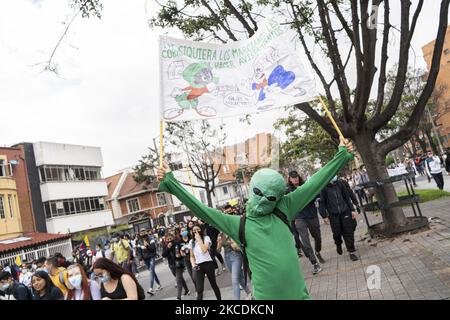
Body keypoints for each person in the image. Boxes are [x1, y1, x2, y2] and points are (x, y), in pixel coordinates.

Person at [157, 137, 354, 300]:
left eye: (270, 198)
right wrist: (171, 183)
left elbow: (315, 183)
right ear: (251, 189)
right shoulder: (237, 224)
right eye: (259, 193)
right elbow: (202, 210)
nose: (263, 201)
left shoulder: (285, 207)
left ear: (278, 197)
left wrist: (341, 155)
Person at [286, 170, 324, 275]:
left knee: (317, 237)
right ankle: (314, 263)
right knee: (305, 241)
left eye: (296, 177)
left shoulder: (306, 186)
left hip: (312, 215)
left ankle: (317, 251)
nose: (295, 179)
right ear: (289, 179)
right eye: (293, 177)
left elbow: (317, 195)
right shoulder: (288, 191)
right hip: (299, 218)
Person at [319, 176, 359, 262]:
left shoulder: (340, 184)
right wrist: (324, 216)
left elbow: (346, 197)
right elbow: (322, 202)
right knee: (337, 233)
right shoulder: (324, 187)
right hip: (333, 215)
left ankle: (351, 252)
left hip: (345, 212)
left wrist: (352, 209)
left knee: (348, 232)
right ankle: (338, 244)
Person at [189, 224, 222, 300]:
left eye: (198, 229)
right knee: (199, 289)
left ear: (201, 230)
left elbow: (204, 250)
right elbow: (191, 256)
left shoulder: (206, 238)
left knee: (214, 285)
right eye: (194, 231)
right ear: (192, 232)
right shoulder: (191, 242)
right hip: (199, 266)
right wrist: (193, 265)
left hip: (208, 264)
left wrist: (199, 239)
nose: (196, 232)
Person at [217, 232, 251, 300]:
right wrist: (220, 243)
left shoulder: (232, 232)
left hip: (236, 256)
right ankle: (249, 293)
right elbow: (218, 251)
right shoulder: (220, 235)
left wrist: (230, 242)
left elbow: (237, 247)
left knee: (235, 280)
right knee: (239, 278)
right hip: (227, 258)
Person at [162, 232, 190, 300]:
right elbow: (163, 255)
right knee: (180, 278)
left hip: (179, 264)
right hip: (171, 265)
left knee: (178, 280)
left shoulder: (177, 243)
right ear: (165, 240)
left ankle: (178, 296)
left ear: (173, 238)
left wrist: (182, 254)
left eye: (170, 238)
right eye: (167, 239)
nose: (169, 240)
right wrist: (168, 247)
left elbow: (183, 250)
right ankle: (186, 290)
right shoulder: (165, 246)